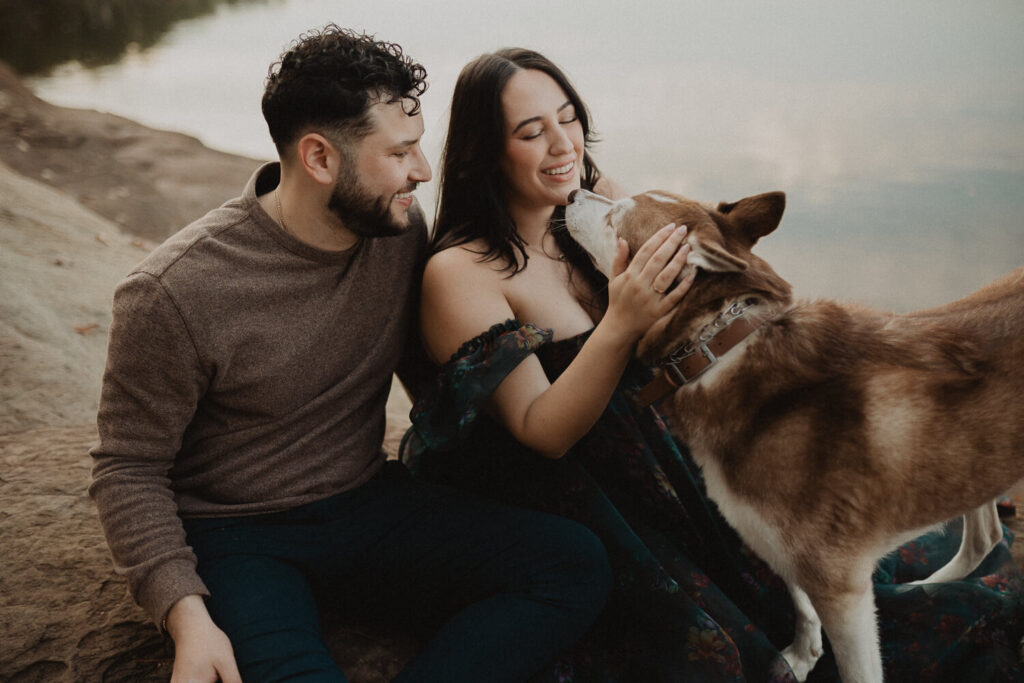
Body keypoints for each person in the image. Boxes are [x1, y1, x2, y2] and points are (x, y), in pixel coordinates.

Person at [401, 48, 1024, 682]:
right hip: (589, 497)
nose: (564, 145)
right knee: (724, 648)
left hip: (674, 452)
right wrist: (620, 323)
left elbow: (716, 283)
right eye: (532, 132)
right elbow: (543, 433)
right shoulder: (463, 272)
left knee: (814, 557)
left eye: (569, 119)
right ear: (484, 152)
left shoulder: (593, 201)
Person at [87, 26, 645, 683]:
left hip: (367, 504)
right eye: (401, 152)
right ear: (320, 157)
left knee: (574, 561)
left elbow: (440, 379)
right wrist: (188, 617)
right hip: (241, 539)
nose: (424, 171)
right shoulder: (173, 290)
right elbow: (127, 467)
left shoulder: (396, 229)